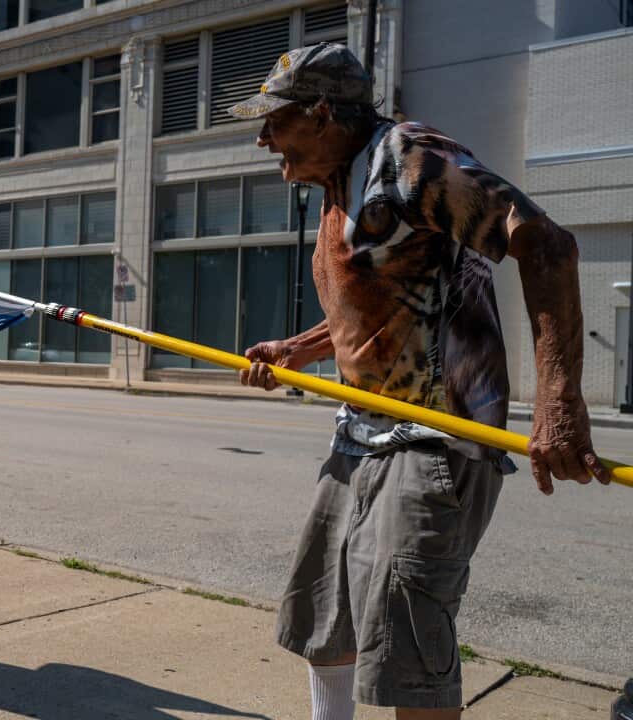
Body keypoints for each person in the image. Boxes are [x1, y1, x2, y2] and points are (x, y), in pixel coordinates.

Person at [229, 43, 610, 720]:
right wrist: (297, 347)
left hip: (434, 443)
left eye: (274, 121)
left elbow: (546, 243)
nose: (263, 137)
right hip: (359, 434)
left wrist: (558, 403)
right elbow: (381, 305)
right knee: (326, 617)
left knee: (409, 654)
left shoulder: (406, 158)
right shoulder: (334, 186)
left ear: (321, 114)